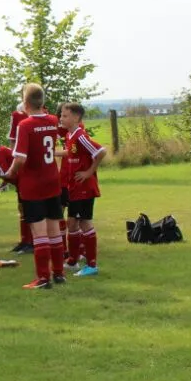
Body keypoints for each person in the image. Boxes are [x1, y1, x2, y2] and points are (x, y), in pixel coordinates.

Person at [6, 84, 67, 290]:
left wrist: (10, 173)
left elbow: (20, 158)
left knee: (39, 233)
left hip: (33, 184)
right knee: (54, 230)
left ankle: (43, 278)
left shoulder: (25, 125)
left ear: (25, 103)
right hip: (52, 180)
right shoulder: (53, 120)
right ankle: (59, 274)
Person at [58, 103, 106, 278]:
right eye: (61, 115)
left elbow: (101, 151)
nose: (61, 118)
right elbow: (71, 153)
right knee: (72, 223)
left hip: (84, 188)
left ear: (76, 117)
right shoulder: (70, 135)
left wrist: (89, 172)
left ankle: (92, 265)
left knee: (84, 223)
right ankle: (73, 260)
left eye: (65, 116)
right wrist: (54, 153)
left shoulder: (80, 136)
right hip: (75, 188)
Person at [7, 94, 34, 254]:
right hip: (22, 164)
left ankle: (33, 241)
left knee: (33, 206)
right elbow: (12, 141)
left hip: (33, 166)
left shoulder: (43, 114)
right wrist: (14, 161)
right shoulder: (17, 114)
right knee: (22, 204)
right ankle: (25, 240)